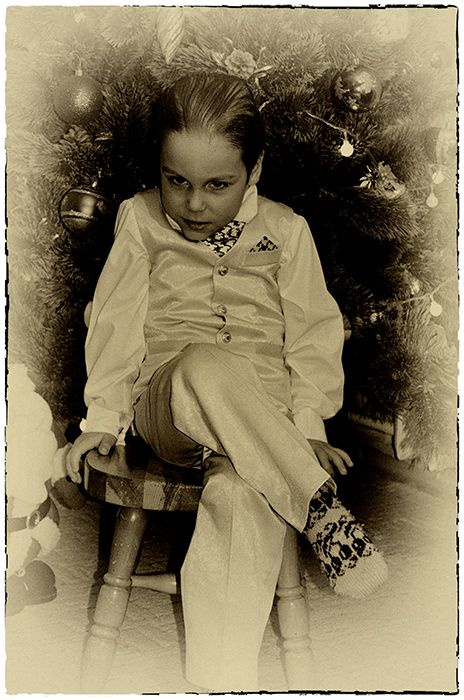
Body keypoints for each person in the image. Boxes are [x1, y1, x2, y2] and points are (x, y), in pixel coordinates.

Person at [67, 72, 388, 692]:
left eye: (218, 185)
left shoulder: (286, 231)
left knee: (241, 496)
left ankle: (221, 683)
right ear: (159, 169)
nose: (194, 204)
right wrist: (102, 418)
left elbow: (313, 334)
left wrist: (307, 424)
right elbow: (114, 322)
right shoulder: (139, 220)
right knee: (202, 362)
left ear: (254, 170)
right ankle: (318, 506)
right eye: (176, 181)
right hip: (170, 410)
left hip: (260, 424)